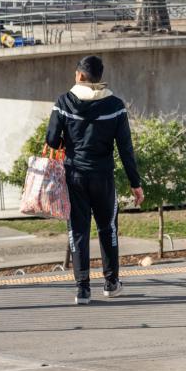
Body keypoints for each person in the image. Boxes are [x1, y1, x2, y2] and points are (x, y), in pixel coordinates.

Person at [46, 55, 144, 306]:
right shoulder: (116, 106)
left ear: (80, 76)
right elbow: (125, 149)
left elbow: (52, 141)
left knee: (78, 230)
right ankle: (111, 284)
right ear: (100, 78)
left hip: (74, 176)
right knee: (107, 228)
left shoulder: (63, 103)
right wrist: (135, 183)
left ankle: (83, 289)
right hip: (103, 177)